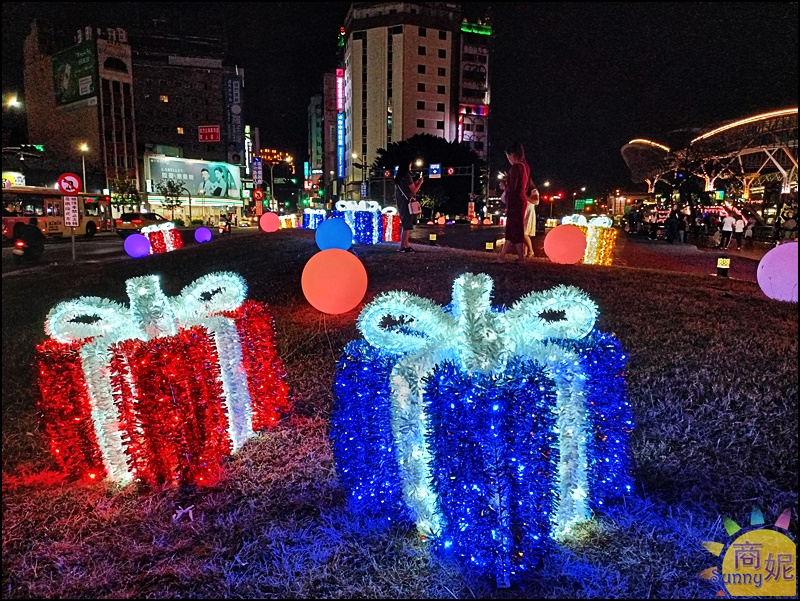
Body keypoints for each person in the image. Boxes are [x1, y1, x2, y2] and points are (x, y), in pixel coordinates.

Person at [497, 141, 530, 264]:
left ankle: (521, 258)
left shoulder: (516, 167)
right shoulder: (525, 166)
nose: (508, 160)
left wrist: (504, 185)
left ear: (513, 154)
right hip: (521, 199)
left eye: (508, 157)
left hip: (515, 200)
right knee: (511, 229)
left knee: (515, 228)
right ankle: (502, 256)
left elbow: (513, 187)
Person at [394, 158, 423, 252]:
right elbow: (413, 190)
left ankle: (406, 245)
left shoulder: (399, 177)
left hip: (402, 202)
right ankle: (403, 246)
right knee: (407, 224)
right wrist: (420, 183)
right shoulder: (407, 176)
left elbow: (408, 188)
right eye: (410, 164)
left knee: (407, 224)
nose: (411, 166)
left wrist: (416, 183)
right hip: (407, 203)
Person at [523, 179, 539, 257]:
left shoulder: (533, 191)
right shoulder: (523, 190)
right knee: (525, 233)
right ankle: (524, 253)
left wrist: (525, 198)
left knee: (524, 233)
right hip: (523, 211)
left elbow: (536, 201)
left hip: (528, 212)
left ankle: (531, 251)